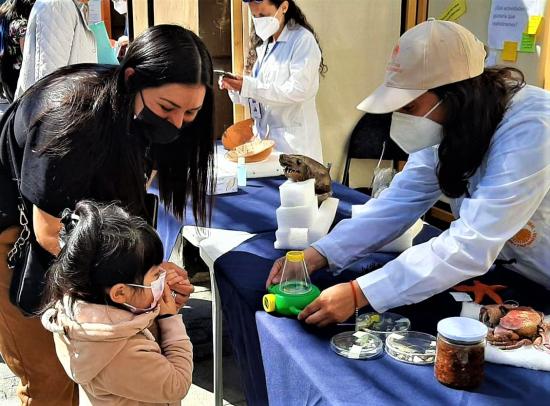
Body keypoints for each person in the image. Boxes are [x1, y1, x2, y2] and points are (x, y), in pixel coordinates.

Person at [267, 20, 550, 327]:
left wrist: (359, 293)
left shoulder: (531, 127)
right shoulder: (454, 125)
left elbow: (471, 242)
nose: (400, 120)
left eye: (410, 106)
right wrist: (319, 254)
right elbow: (396, 205)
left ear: (456, 96)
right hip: (511, 272)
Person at [0, 24, 213, 405]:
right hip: (19, 233)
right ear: (132, 78)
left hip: (80, 237)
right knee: (49, 374)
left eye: (191, 112)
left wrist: (149, 273)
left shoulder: (147, 118)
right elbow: (49, 231)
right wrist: (131, 282)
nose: (178, 123)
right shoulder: (70, 116)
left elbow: (129, 213)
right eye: (168, 108)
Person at [41, 200, 193, 405]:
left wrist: (161, 306)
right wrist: (169, 319)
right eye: (156, 274)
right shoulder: (120, 353)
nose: (164, 276)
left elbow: (133, 324)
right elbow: (177, 385)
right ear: (120, 292)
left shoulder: (80, 303)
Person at [219, 0, 327, 162]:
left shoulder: (302, 40)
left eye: (263, 15)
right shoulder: (263, 43)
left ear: (284, 7)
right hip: (264, 146)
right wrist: (235, 88)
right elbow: (259, 97)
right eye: (255, 16)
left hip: (294, 148)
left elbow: (298, 91)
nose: (259, 21)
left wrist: (248, 86)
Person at [14, 0, 97, 99]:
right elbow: (49, 87)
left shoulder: (73, 6)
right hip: (60, 111)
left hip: (70, 108)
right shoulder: (58, 5)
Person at [0, 0, 34, 102]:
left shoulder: (4, 18)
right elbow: (28, 55)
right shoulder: (21, 25)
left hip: (6, 74)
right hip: (18, 78)